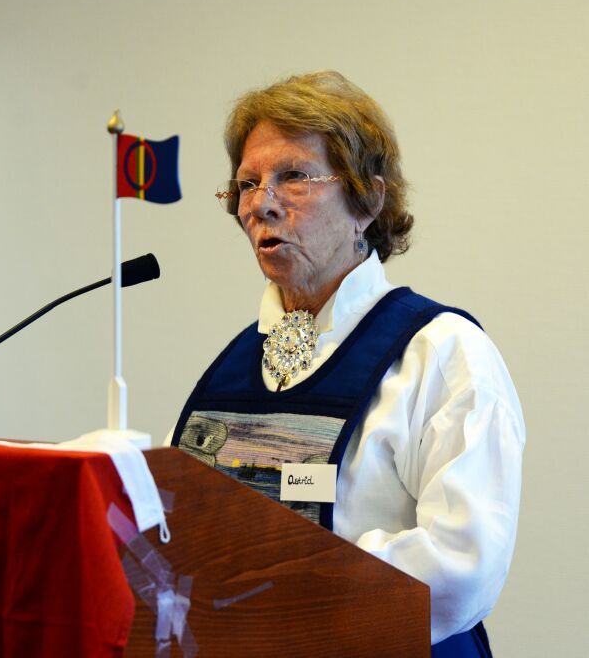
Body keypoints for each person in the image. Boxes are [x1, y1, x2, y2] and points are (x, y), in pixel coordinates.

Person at [170, 71, 525, 656]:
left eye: (293, 177)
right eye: (247, 184)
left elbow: (463, 566)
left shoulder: (441, 354)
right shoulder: (231, 367)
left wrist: (275, 590)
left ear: (368, 200)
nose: (262, 204)